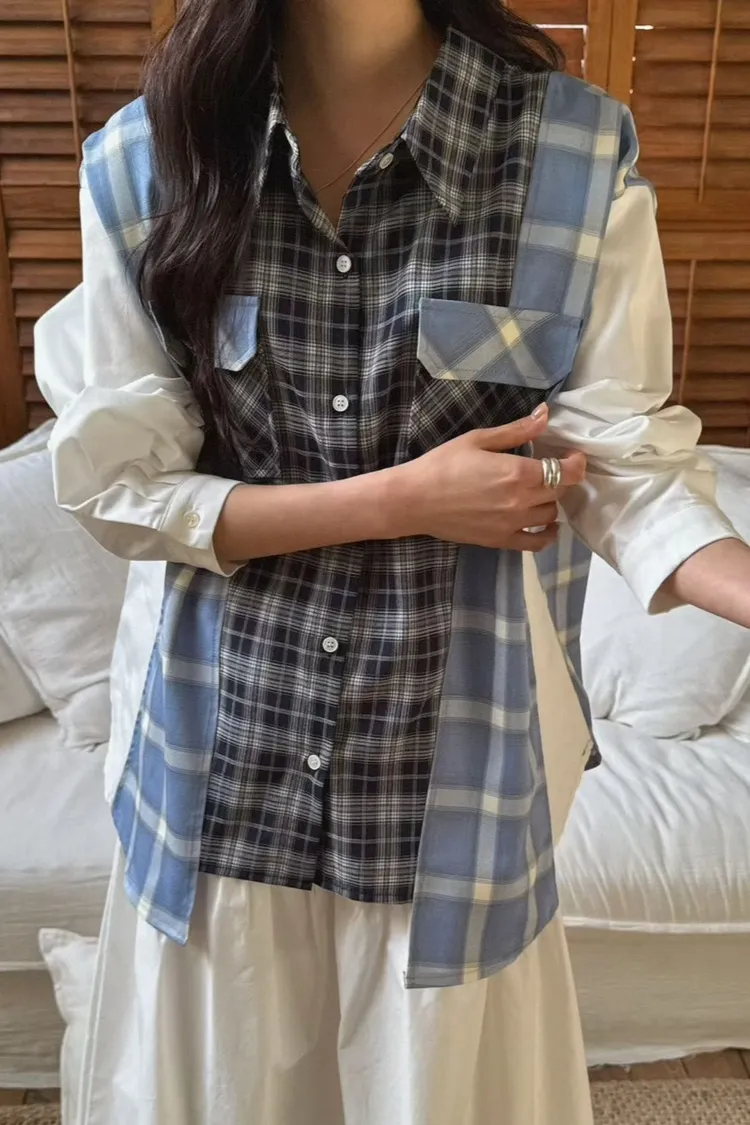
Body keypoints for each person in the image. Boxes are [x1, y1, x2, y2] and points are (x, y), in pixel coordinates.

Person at [34, 2, 750, 1123]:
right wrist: (400, 500)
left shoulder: (570, 154)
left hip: (455, 763)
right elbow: (123, 489)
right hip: (218, 753)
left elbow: (619, 463)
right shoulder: (150, 157)